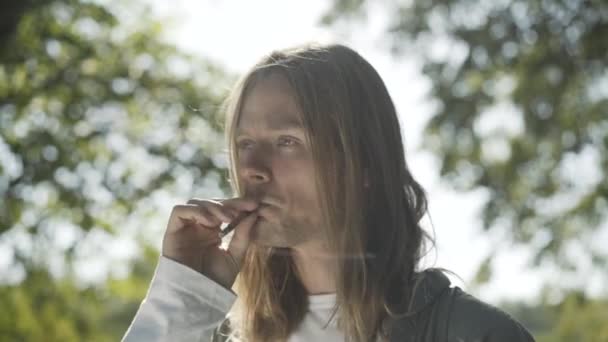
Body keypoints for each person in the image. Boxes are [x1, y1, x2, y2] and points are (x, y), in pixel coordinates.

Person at [122, 44, 535, 342]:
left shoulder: (474, 334)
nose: (252, 168)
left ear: (365, 164)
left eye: (287, 141)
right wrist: (183, 296)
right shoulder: (220, 334)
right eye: (245, 143)